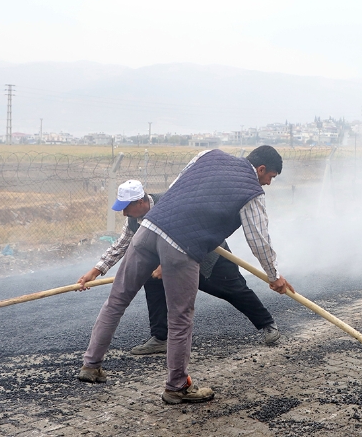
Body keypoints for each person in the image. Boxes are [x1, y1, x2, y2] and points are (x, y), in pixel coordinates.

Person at [78, 146, 293, 405]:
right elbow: (258, 239)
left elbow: (178, 188)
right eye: (270, 176)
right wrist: (274, 276)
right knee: (180, 318)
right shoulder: (252, 192)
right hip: (182, 245)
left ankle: (91, 366)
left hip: (148, 230)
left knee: (116, 302)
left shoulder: (208, 154)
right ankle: (177, 386)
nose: (268, 182)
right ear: (260, 169)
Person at [76, 180, 280, 356]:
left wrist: (165, 266)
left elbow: (189, 236)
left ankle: (267, 324)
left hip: (208, 255)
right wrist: (96, 271)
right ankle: (160, 338)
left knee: (234, 290)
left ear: (141, 201)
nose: (123, 213)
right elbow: (121, 245)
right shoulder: (134, 219)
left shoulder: (170, 203)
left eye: (126, 207)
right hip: (168, 260)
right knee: (152, 279)